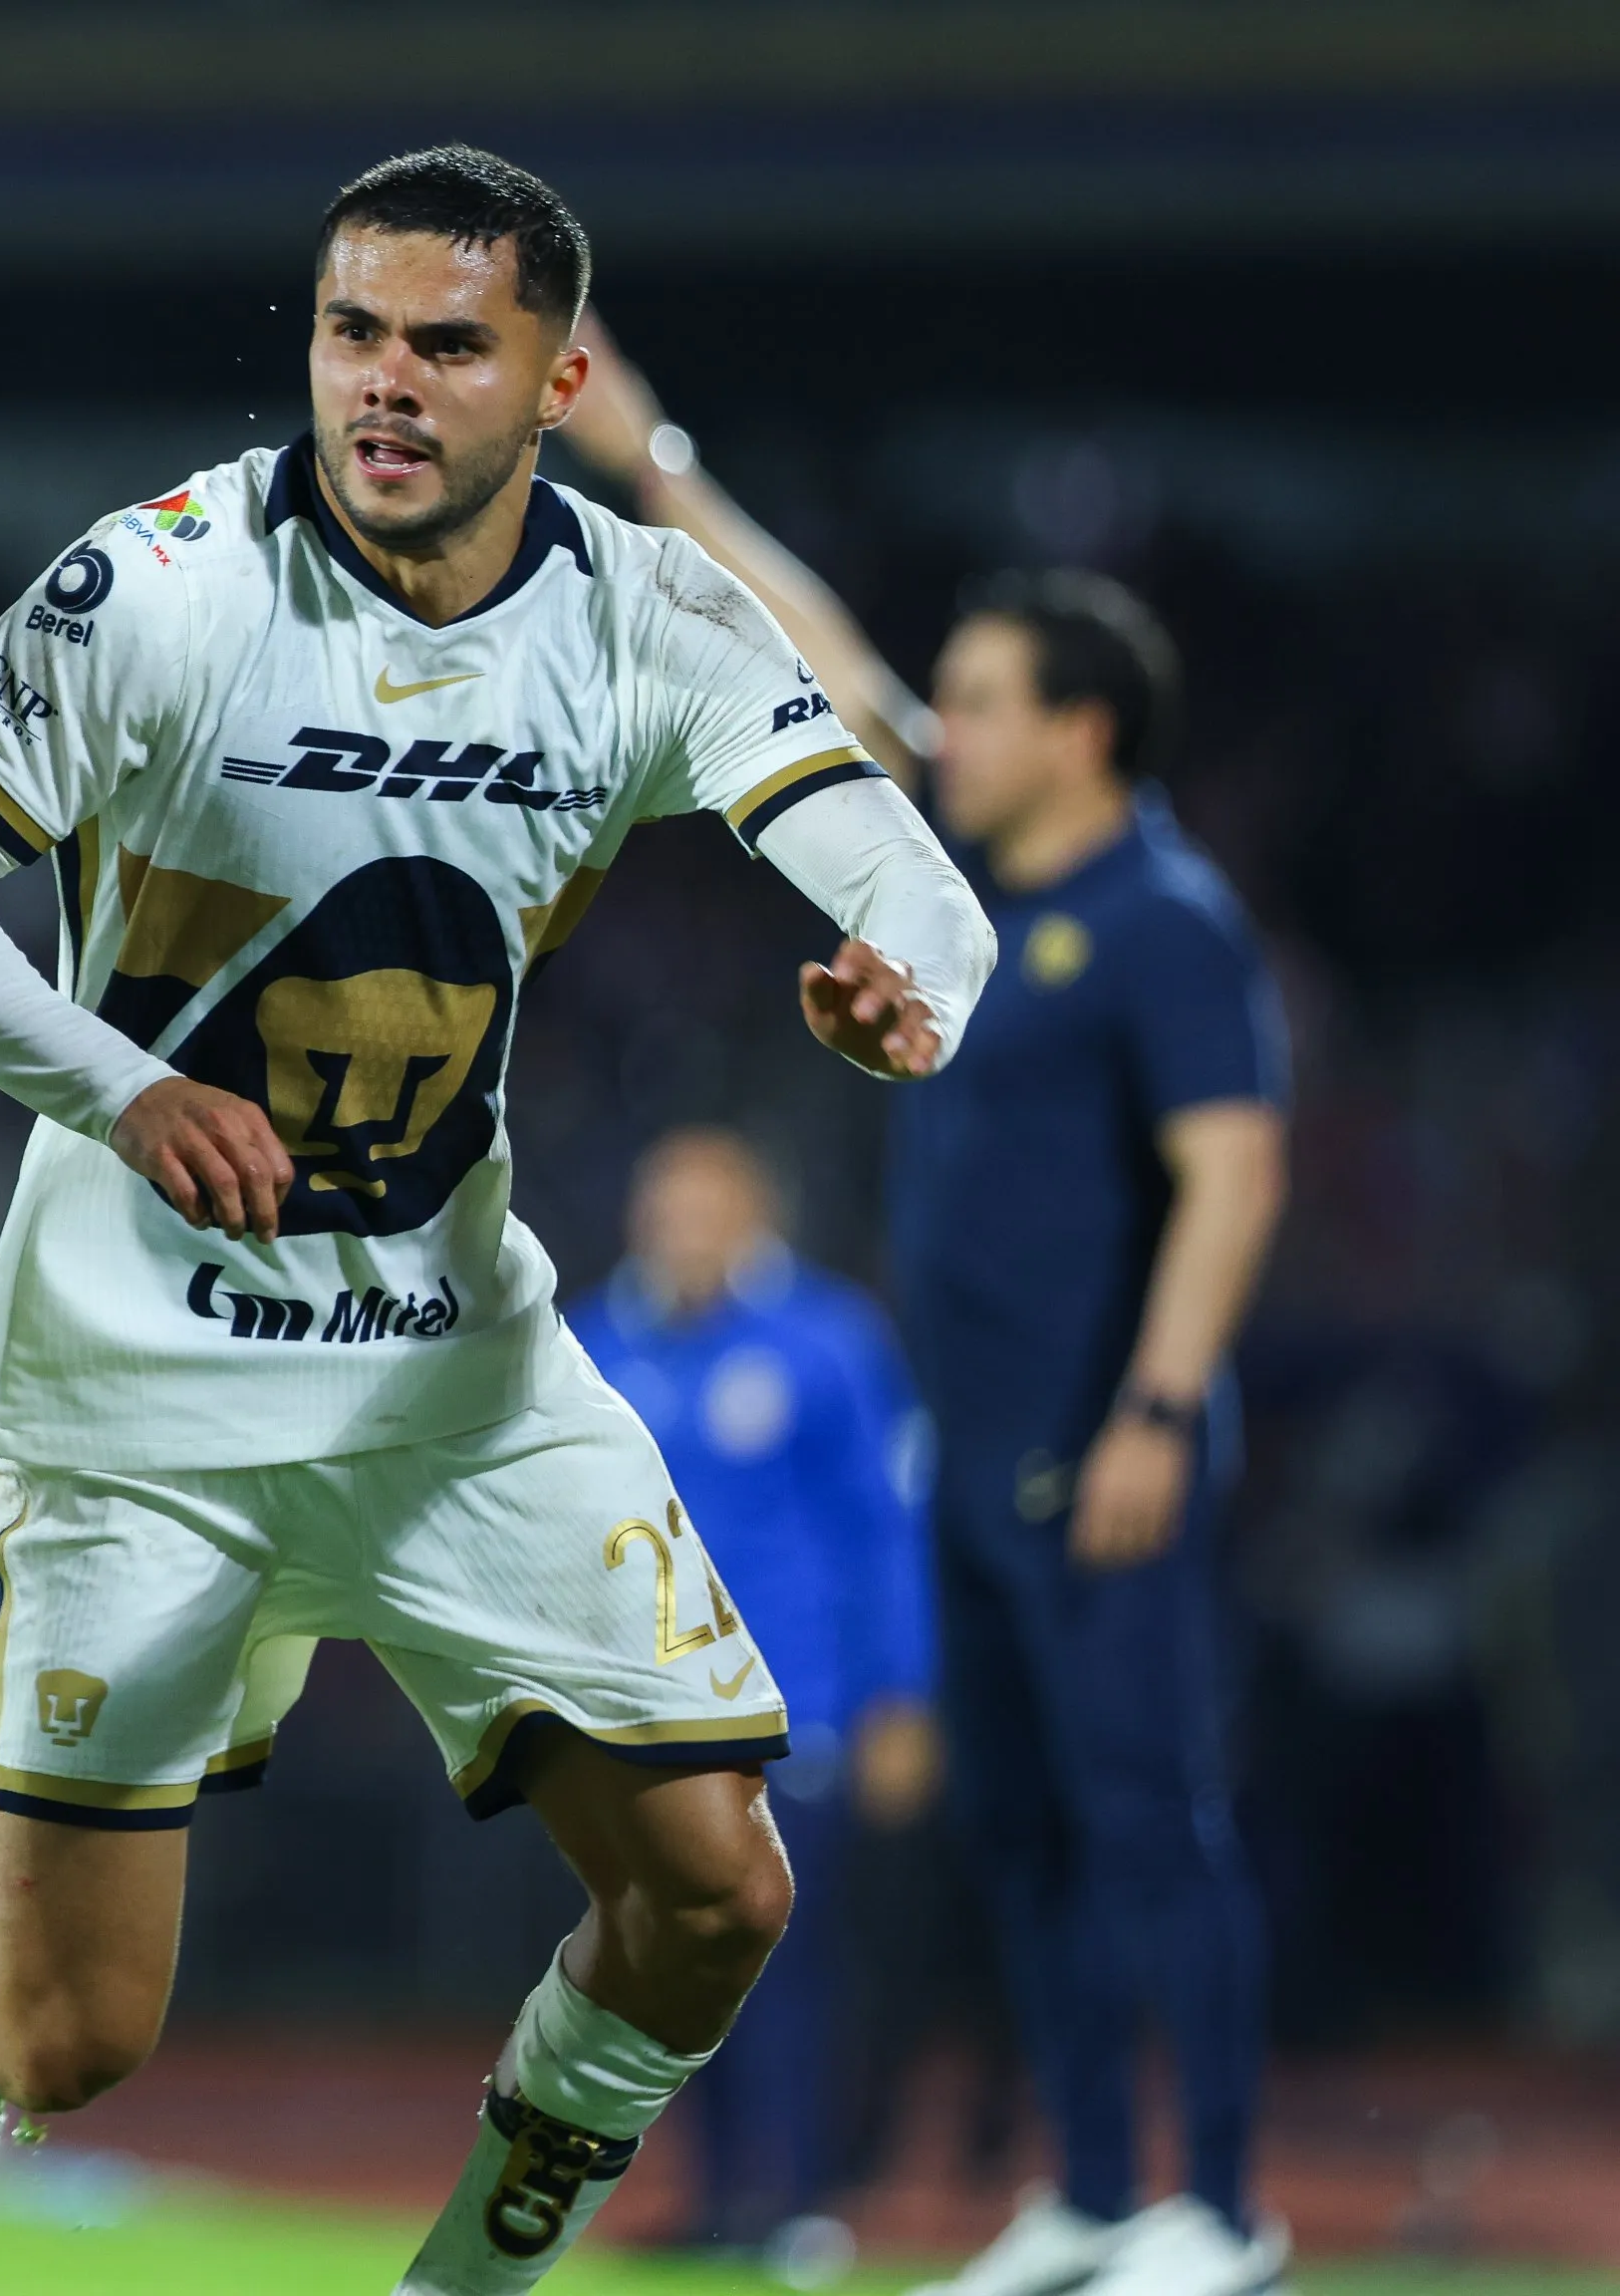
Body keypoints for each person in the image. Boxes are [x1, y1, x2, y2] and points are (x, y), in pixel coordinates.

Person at [0, 145, 997, 2295]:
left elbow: (906, 865)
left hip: (455, 1385)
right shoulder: (158, 586)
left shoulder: (640, 617)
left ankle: (466, 2276)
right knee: (75, 2042)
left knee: (717, 1890)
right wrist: (118, 1084)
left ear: (556, 381)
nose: (383, 380)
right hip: (136, 1406)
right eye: (353, 331)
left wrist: (915, 984)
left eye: (448, 344)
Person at [570, 341, 1292, 2296]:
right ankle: (1092, 2190)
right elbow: (819, 661)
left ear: (1080, 731)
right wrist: (653, 461)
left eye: (977, 699)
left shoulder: (1160, 923)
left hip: (1101, 1444)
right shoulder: (967, 883)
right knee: (1027, 1838)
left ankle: (1223, 2209)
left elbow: (1232, 1174)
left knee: (1153, 1826)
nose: (937, 723)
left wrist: (1158, 1408)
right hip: (969, 1456)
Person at [574, 1127, 938, 2272]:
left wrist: (901, 1694)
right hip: (641, 1722)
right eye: (662, 1209)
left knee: (788, 1963)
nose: (677, 1232)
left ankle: (802, 2198)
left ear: (754, 1219)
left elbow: (882, 1530)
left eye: (701, 1210)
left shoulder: (826, 1341)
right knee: (667, 1968)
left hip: (796, 1711)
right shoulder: (591, 1344)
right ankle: (723, 2200)